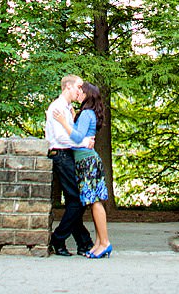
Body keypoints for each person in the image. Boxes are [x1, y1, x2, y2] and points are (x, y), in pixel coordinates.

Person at [53, 81, 112, 258]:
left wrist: (64, 122)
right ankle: (99, 243)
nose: (78, 92)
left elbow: (78, 137)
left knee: (95, 202)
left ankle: (105, 243)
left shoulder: (87, 113)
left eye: (81, 90)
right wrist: (72, 116)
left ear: (87, 95)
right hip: (84, 160)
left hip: (87, 161)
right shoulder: (85, 113)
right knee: (91, 202)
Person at [45, 74, 93, 257]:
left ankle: (83, 243)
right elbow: (62, 138)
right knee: (77, 201)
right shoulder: (57, 107)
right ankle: (58, 238)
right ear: (67, 87)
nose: (80, 91)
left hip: (66, 155)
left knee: (76, 201)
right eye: (78, 87)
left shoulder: (67, 108)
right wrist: (84, 143)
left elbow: (69, 132)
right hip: (61, 155)